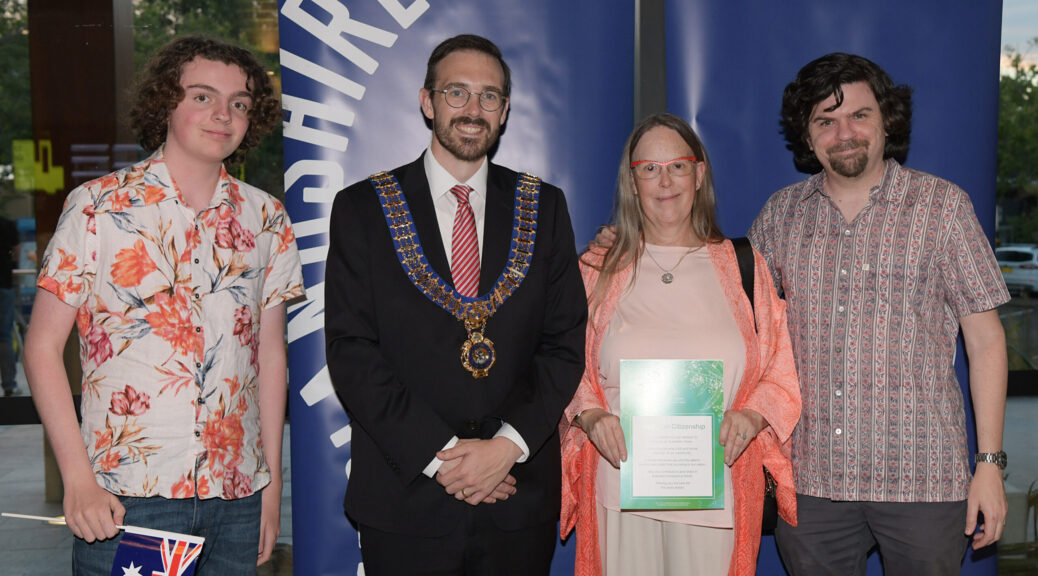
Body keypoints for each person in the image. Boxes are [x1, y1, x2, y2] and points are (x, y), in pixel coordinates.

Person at [24, 36, 304, 575]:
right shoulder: (98, 208)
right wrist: (78, 481)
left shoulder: (266, 218)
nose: (223, 114)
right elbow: (41, 348)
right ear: (164, 104)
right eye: (202, 97)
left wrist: (270, 489)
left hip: (236, 497)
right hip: (129, 498)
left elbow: (269, 359)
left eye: (239, 103)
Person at [324, 34, 587, 575]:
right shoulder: (363, 208)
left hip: (516, 493)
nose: (473, 109)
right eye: (457, 93)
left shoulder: (546, 206)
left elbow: (563, 345)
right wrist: (443, 457)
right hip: (404, 499)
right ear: (427, 101)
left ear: (506, 111)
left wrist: (505, 447)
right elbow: (352, 352)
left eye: (489, 96)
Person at [748, 53, 1009, 575]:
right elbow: (735, 315)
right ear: (808, 135)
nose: (844, 132)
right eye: (825, 120)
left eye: (859, 115)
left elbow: (986, 342)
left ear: (887, 120)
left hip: (924, 481)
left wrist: (990, 465)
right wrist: (626, 247)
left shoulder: (944, 208)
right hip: (813, 484)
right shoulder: (780, 215)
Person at [560, 113, 801, 576]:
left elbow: (781, 368)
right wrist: (589, 415)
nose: (664, 180)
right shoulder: (596, 270)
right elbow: (564, 361)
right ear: (632, 182)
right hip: (619, 491)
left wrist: (752, 415)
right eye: (649, 167)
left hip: (719, 495)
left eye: (678, 165)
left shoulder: (745, 267)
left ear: (700, 174)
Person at [0, 215, 20, 396]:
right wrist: (13, 264)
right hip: (4, 282)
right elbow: (16, 250)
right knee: (4, 335)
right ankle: (9, 383)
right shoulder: (7, 224)